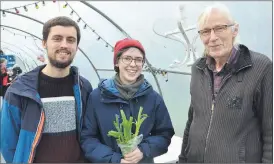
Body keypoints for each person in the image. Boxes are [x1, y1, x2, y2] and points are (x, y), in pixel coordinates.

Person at [178, 3, 272, 163]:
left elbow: (271, 131)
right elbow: (192, 119)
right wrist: (183, 159)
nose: (212, 37)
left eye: (220, 28)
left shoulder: (260, 68)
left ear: (235, 30)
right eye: (205, 31)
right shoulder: (198, 69)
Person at [1, 16, 93, 163]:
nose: (64, 45)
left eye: (71, 40)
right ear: (44, 43)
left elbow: (89, 133)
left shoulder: (84, 88)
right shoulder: (20, 90)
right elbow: (8, 143)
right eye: (57, 38)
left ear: (77, 46)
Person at [81, 38, 175, 163]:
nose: (133, 64)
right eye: (127, 58)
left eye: (138, 60)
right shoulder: (97, 97)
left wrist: (143, 150)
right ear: (117, 63)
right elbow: (88, 139)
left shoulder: (153, 98)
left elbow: (165, 134)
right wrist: (114, 159)